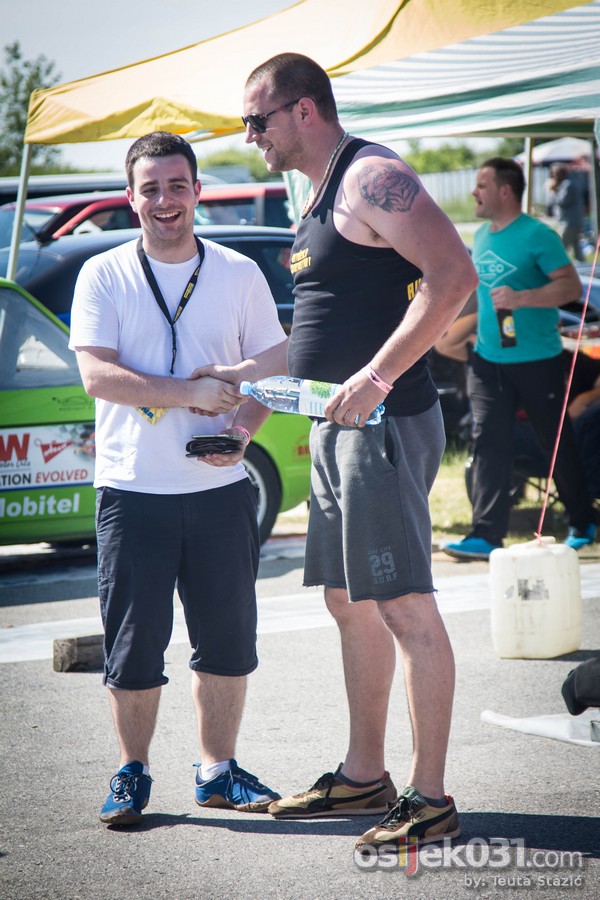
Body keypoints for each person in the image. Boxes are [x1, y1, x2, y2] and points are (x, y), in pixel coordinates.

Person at [242, 52, 478, 853]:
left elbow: (454, 275)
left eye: (257, 120)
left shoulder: (370, 176)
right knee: (347, 601)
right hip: (333, 428)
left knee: (405, 605)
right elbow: (324, 320)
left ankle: (431, 799)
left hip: (381, 428)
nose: (251, 136)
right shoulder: (317, 192)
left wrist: (377, 378)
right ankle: (363, 773)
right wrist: (246, 386)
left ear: (303, 110)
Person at [69, 131, 287, 826]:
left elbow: (275, 361)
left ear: (197, 191)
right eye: (151, 188)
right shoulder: (104, 273)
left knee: (228, 641)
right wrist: (188, 393)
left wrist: (242, 431)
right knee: (134, 646)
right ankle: (131, 773)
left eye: (177, 185)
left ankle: (218, 772)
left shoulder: (237, 273)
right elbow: (97, 375)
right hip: (133, 491)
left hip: (221, 492)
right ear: (131, 198)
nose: (165, 200)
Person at [443, 157, 596, 562]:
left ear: (505, 191)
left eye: (481, 185)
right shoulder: (480, 235)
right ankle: (486, 535)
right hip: (487, 359)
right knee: (488, 441)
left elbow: (570, 287)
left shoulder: (537, 235)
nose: (473, 192)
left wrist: (522, 297)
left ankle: (583, 522)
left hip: (537, 359)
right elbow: (480, 294)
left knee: (554, 442)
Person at [546, 162, 586, 262]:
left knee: (560, 248)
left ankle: (557, 267)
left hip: (569, 222)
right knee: (576, 248)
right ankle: (582, 266)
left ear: (561, 173)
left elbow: (563, 201)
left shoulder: (568, 184)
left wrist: (553, 192)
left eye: (555, 173)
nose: (554, 176)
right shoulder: (570, 182)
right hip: (574, 220)